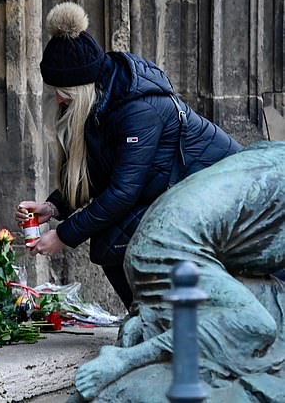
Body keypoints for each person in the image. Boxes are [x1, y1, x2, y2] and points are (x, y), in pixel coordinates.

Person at [15, 2, 241, 308]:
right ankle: (146, 319)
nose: (57, 98)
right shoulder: (105, 101)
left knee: (113, 239)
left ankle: (150, 319)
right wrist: (53, 207)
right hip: (178, 192)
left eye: (63, 92)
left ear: (82, 87)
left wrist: (63, 236)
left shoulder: (138, 110)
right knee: (111, 239)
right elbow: (102, 171)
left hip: (227, 195)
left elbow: (123, 191)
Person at [73, 141, 285, 402]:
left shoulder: (273, 153)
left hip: (155, 239)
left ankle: (152, 322)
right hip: (173, 252)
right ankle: (124, 360)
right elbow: (267, 254)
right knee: (258, 325)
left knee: (269, 296)